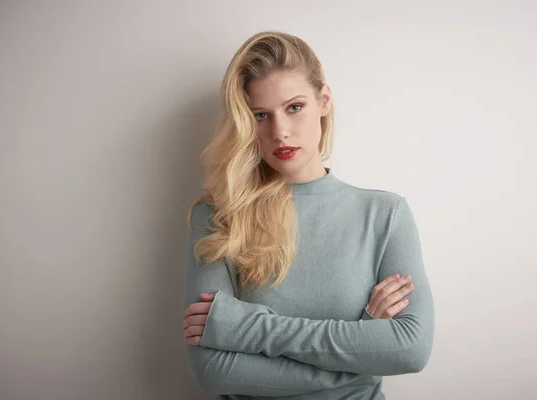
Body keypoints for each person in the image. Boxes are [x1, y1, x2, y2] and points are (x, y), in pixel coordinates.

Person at [182, 30, 434, 399]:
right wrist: (359, 358)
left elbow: (410, 348)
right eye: (260, 115)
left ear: (324, 100)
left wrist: (244, 326)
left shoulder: (384, 215)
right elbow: (216, 371)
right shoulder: (218, 217)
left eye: (294, 107)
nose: (280, 132)